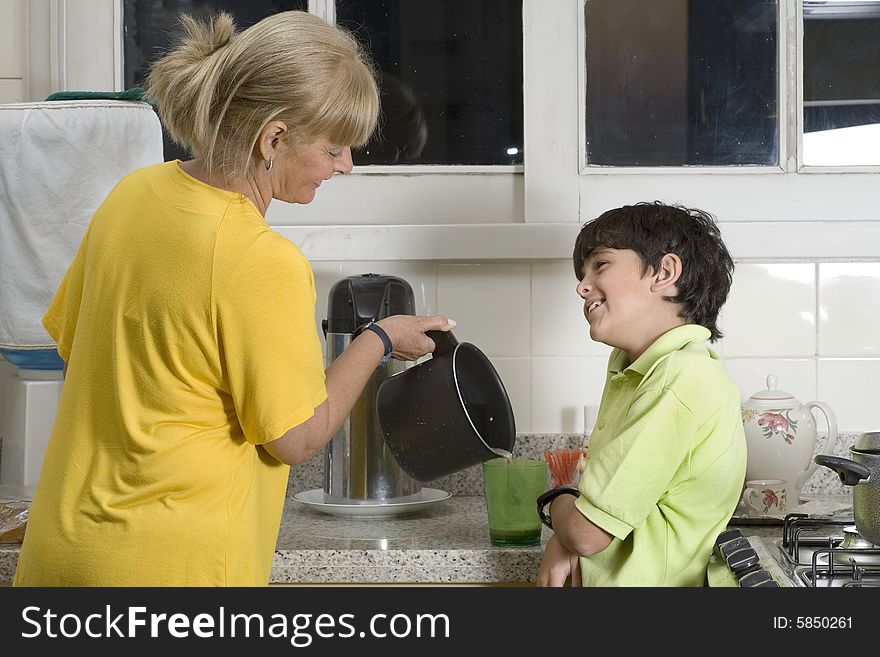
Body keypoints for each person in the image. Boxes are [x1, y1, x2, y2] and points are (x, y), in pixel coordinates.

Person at [13, 10, 454, 587]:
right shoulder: (261, 260)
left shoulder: (133, 194)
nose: (345, 165)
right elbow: (296, 438)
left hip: (61, 554)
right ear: (273, 139)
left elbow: (80, 355)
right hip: (171, 573)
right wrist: (380, 339)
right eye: (333, 149)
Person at [536, 201, 747, 587]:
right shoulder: (639, 367)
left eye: (600, 264)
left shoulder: (682, 377)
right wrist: (566, 533)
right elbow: (595, 520)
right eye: (582, 274)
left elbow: (586, 533)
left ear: (665, 272)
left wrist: (557, 501)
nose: (582, 286)